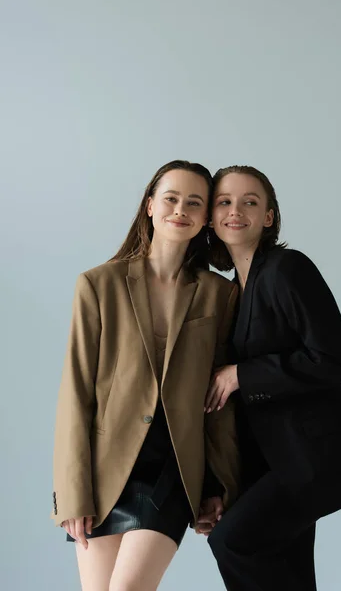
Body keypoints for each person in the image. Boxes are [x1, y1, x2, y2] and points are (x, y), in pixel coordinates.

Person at [52, 160, 240, 591]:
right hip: (103, 475)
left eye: (195, 202)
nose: (181, 209)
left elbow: (217, 406)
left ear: (206, 217)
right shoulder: (98, 285)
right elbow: (76, 393)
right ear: (150, 205)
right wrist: (72, 492)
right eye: (171, 198)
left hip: (171, 471)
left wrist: (220, 485)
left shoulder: (219, 294)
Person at [200, 165, 341, 590]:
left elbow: (334, 358)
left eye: (250, 202)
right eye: (224, 201)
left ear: (269, 217)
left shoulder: (286, 268)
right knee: (290, 571)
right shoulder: (233, 291)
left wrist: (242, 374)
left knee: (234, 543)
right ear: (210, 216)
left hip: (312, 459)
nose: (235, 211)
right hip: (274, 463)